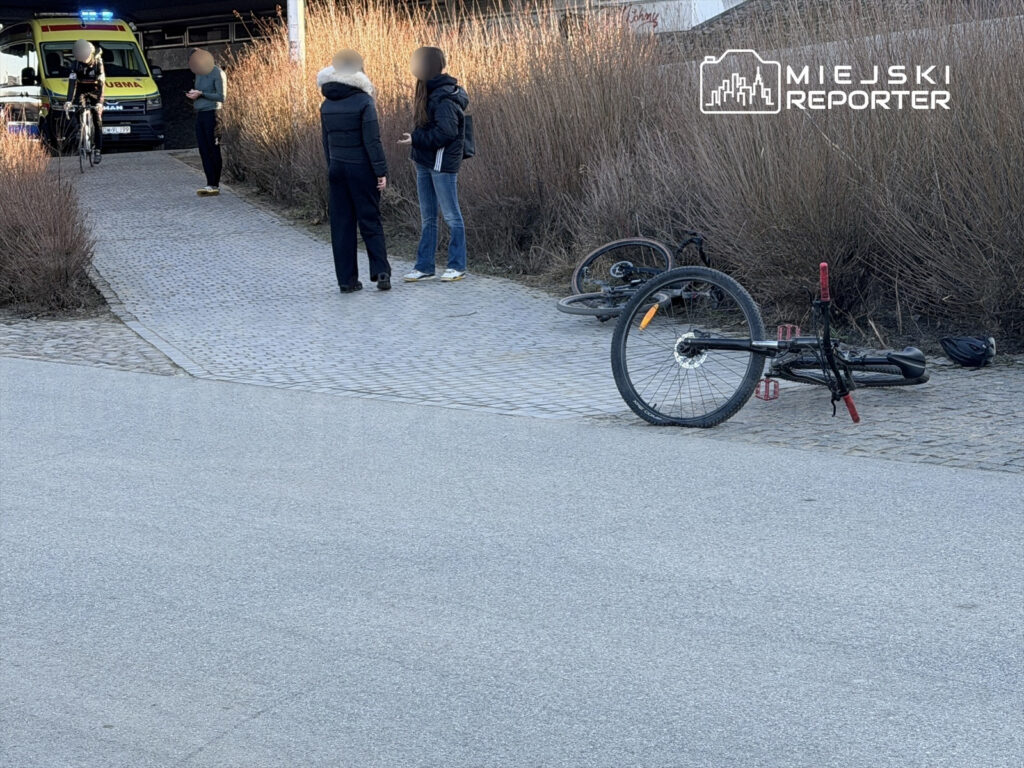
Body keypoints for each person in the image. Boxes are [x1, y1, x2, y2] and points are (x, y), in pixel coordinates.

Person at [319, 50, 391, 292]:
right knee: (370, 220)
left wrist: (332, 168)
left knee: (341, 225)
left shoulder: (326, 103)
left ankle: (346, 281)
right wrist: (380, 171)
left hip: (337, 168)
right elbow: (373, 141)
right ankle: (381, 272)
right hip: (362, 169)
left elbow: (325, 142)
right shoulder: (364, 101)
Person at [398, 47, 469, 283]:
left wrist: (416, 139)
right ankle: (424, 266)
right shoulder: (426, 91)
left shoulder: (444, 96)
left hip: (440, 163)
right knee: (428, 217)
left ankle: (457, 265)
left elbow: (447, 133)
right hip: (423, 161)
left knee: (451, 216)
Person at [186, 49, 226, 197]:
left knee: (213, 148)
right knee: (203, 150)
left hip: (213, 113)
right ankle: (209, 182)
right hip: (200, 113)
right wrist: (194, 94)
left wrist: (202, 94)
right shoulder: (198, 74)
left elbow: (221, 96)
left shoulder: (217, 72)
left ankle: (215, 183)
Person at [64, 39, 105, 165]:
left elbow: (103, 85)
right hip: (81, 89)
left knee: (97, 120)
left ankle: (97, 150)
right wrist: (68, 101)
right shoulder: (75, 65)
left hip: (95, 90)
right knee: (78, 109)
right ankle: (80, 130)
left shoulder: (98, 63)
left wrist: (99, 103)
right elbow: (72, 84)